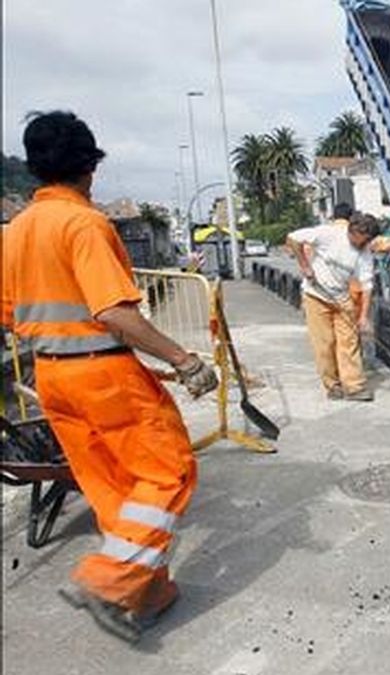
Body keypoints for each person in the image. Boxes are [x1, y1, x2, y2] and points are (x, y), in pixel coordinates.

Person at [0, 111, 219, 642]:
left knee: (115, 489)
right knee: (168, 472)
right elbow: (114, 314)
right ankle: (109, 581)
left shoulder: (16, 231)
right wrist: (184, 361)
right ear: (88, 166)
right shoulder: (84, 223)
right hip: (102, 375)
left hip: (52, 378)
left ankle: (145, 594)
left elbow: (10, 314)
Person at [286, 212, 381, 402]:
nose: (363, 245)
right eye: (362, 240)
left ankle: (354, 386)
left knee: (350, 341)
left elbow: (367, 284)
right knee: (325, 343)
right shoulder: (328, 234)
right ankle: (333, 385)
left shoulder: (364, 252)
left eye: (367, 241)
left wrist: (363, 317)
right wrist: (305, 265)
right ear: (353, 231)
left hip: (341, 297)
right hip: (316, 295)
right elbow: (293, 238)